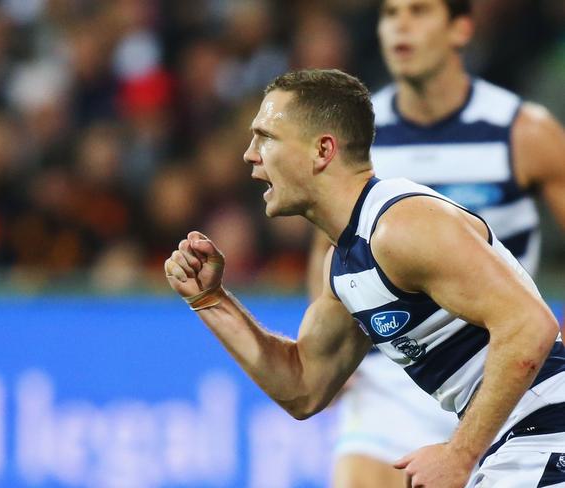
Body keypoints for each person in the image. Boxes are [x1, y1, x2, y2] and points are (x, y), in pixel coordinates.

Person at [165, 69, 565, 488]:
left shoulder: (401, 226)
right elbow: (304, 387)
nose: (250, 153)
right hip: (522, 442)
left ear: (322, 150)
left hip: (546, 436)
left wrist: (459, 454)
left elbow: (530, 326)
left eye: (266, 136)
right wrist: (212, 301)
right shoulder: (345, 262)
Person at [306, 1, 565, 486]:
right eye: (390, 14)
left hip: (506, 366)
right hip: (398, 370)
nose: (400, 26)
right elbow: (326, 247)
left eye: (419, 12)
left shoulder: (522, 132)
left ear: (460, 29)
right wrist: (328, 353)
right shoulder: (354, 135)